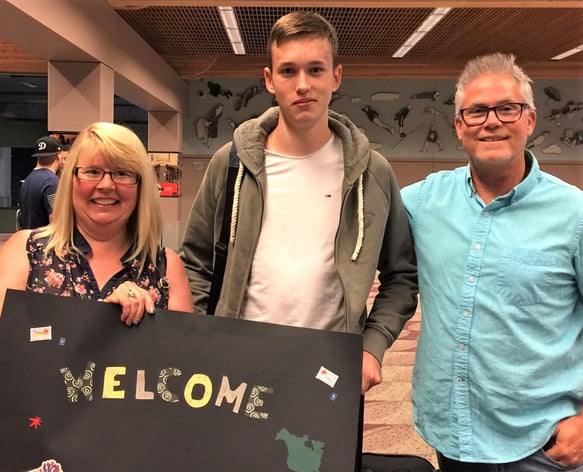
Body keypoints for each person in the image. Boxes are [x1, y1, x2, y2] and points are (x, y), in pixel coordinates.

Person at [181, 11, 418, 394]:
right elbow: (194, 260)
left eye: (316, 70)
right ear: (270, 80)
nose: (303, 85)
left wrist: (373, 347)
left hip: (329, 370)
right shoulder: (232, 163)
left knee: (311, 456)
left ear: (336, 77)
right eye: (288, 71)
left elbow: (402, 277)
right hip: (235, 367)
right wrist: (207, 337)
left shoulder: (372, 172)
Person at [401, 53, 583, 471]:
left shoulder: (574, 214)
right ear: (459, 126)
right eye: (477, 111)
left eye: (507, 108)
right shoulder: (424, 201)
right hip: (453, 437)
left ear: (530, 120)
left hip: (543, 444)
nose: (492, 121)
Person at [0, 122, 193, 324]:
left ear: (140, 187)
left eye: (122, 173)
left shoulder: (166, 268)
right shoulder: (26, 252)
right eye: (92, 172)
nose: (106, 185)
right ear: (70, 180)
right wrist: (103, 314)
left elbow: (179, 353)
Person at [18, 135, 67, 229]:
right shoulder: (52, 182)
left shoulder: (28, 180)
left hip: (29, 239)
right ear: (58, 155)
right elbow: (56, 219)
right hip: (45, 242)